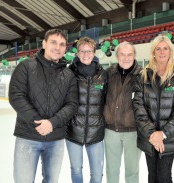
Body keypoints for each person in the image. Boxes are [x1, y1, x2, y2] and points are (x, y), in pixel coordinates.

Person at [9, 29, 79, 183]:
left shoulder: (68, 75)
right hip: (28, 136)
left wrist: (52, 123)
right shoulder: (26, 66)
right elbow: (16, 96)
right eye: (53, 42)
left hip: (56, 139)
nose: (57, 47)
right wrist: (39, 122)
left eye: (62, 44)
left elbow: (72, 104)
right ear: (44, 44)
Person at [132, 35, 174, 183]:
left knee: (164, 176)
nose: (162, 52)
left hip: (169, 138)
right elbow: (138, 106)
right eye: (158, 48)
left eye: (165, 48)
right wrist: (152, 134)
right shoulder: (143, 76)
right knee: (152, 176)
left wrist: (163, 134)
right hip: (149, 137)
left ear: (171, 52)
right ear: (153, 52)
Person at [66, 36, 107, 183]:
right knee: (76, 170)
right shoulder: (69, 73)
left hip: (96, 133)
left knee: (97, 174)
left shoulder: (103, 75)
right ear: (77, 53)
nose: (85, 54)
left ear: (94, 53)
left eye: (89, 51)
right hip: (74, 132)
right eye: (82, 51)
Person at [103, 41, 142, 183]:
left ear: (134, 56)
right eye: (122, 54)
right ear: (117, 56)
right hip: (111, 131)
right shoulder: (108, 73)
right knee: (112, 170)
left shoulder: (142, 74)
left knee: (132, 171)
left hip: (133, 132)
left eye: (129, 54)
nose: (126, 58)